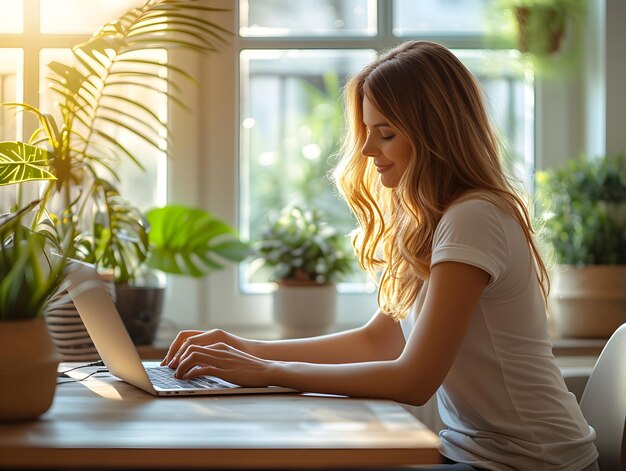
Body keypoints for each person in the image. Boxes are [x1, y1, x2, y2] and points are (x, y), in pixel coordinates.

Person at [161, 41, 599, 471]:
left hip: (534, 462)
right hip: (475, 455)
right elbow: (381, 340)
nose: (369, 151)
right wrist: (246, 349)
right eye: (368, 133)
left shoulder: (475, 217)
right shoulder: (436, 220)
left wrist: (268, 370)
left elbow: (414, 379)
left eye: (385, 133)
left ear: (436, 135)